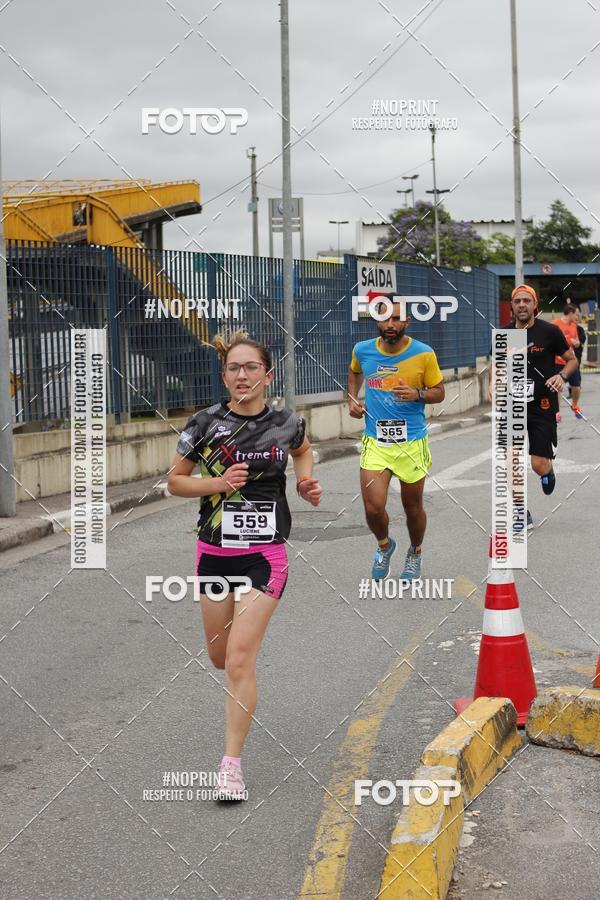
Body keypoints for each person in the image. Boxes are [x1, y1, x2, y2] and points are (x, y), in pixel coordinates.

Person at [167, 332, 322, 801]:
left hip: (265, 555)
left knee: (238, 658)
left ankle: (230, 766)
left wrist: (305, 482)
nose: (242, 376)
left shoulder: (287, 422)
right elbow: (174, 482)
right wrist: (217, 481)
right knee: (218, 656)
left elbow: (302, 450)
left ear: (267, 375)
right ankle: (239, 688)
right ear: (224, 375)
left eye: (251, 367)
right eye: (234, 368)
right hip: (215, 553)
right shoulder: (204, 424)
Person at [347, 296, 445, 581]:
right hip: (376, 442)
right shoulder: (362, 350)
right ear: (376, 319)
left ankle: (415, 551)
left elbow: (439, 392)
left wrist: (417, 394)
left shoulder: (423, 353)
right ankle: (385, 545)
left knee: (412, 507)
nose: (390, 324)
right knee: (373, 507)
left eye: (397, 318)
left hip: (411, 443)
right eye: (385, 318)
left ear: (407, 321)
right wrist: (352, 400)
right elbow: (354, 373)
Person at [487, 285, 578, 530]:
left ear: (535, 305)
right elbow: (496, 364)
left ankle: (547, 471)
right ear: (512, 305)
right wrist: (493, 383)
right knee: (509, 461)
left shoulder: (549, 331)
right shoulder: (503, 333)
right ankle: (520, 510)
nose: (522, 305)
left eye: (527, 300)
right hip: (511, 406)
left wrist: (562, 376)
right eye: (517, 301)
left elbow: (571, 360)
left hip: (542, 405)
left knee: (538, 464)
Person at [552, 303, 583, 419]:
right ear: (570, 313)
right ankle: (557, 412)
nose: (577, 317)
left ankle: (574, 406)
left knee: (576, 386)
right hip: (557, 362)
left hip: (571, 362)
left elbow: (577, 341)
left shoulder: (574, 326)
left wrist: (577, 343)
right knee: (557, 387)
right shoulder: (555, 325)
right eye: (576, 314)